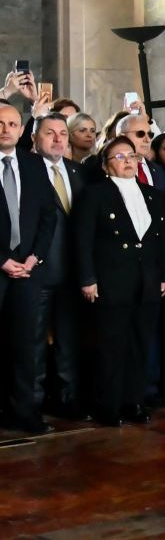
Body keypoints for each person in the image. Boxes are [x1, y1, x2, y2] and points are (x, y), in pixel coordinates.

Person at [75, 136, 165, 427]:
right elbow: (83, 241)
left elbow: (163, 240)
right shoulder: (94, 195)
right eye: (119, 157)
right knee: (112, 345)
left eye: (131, 155)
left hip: (147, 281)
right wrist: (87, 278)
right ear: (106, 166)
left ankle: (134, 401)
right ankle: (109, 405)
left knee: (141, 343)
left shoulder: (153, 195)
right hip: (111, 279)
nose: (128, 161)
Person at [0, 104, 59, 434]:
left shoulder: (34, 164)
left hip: (27, 269)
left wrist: (35, 256)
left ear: (23, 130)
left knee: (25, 344)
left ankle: (23, 412)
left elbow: (48, 215)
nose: (6, 129)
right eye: (0, 123)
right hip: (1, 265)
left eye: (12, 124)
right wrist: (2, 260)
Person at [29, 114, 87, 422]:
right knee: (33, 341)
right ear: (35, 138)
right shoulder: (25, 171)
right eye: (49, 133)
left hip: (73, 272)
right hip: (37, 272)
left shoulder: (78, 172)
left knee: (69, 339)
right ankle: (33, 400)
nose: (57, 139)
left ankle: (68, 397)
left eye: (62, 133)